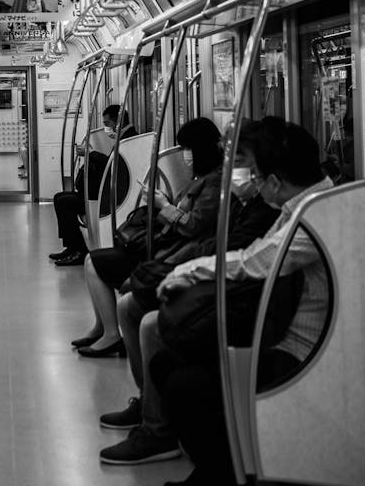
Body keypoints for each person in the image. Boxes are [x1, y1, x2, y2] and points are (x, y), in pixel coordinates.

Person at [152, 118, 333, 486]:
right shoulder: (304, 205)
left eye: (247, 166)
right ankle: (218, 474)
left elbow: (255, 262)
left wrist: (187, 270)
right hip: (284, 332)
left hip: (308, 354)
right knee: (168, 364)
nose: (242, 174)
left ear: (272, 179)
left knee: (189, 383)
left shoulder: (314, 218)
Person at [98, 120, 279, 463]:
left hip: (238, 297)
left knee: (149, 321)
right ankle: (147, 403)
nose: (231, 169)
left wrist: (182, 264)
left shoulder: (255, 205)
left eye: (237, 161)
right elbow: (213, 243)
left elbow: (224, 247)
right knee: (130, 306)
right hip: (204, 270)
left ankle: (157, 427)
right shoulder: (237, 198)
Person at [73, 116, 223, 358]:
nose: (185, 154)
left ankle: (111, 334)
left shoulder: (214, 184)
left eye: (188, 148)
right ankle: (102, 328)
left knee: (94, 263)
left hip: (174, 252)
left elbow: (193, 225)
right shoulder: (201, 178)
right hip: (168, 244)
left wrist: (163, 205)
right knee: (92, 260)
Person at [50, 104, 135, 267]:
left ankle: (80, 251)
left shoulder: (129, 140)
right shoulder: (120, 138)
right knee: (60, 197)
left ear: (118, 122)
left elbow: (113, 166)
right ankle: (71, 246)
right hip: (105, 190)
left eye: (107, 123)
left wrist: (90, 154)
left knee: (65, 202)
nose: (106, 128)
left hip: (113, 196)